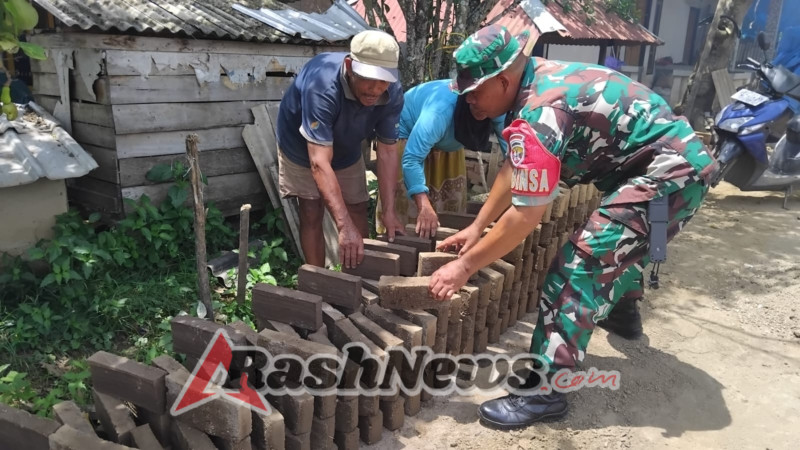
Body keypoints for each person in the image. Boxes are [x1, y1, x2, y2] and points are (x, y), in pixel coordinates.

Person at [428, 25, 718, 428]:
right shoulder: (537, 82)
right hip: (660, 167)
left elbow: (527, 215)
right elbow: (517, 169)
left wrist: (465, 266)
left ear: (503, 80)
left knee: (579, 264)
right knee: (617, 241)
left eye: (474, 90)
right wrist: (478, 225)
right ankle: (622, 312)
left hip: (669, 178)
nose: (469, 99)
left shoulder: (542, 110)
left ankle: (546, 391)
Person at [276, 30, 405, 269]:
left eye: (383, 80)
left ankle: (361, 282)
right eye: (368, 79)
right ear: (349, 65)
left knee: (356, 205)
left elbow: (387, 152)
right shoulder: (322, 86)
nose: (376, 89)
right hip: (304, 148)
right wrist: (342, 226)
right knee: (312, 209)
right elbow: (319, 162)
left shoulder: (393, 92)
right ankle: (318, 282)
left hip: (347, 146)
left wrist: (389, 210)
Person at [375, 79, 508, 238]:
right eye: (478, 110)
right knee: (409, 206)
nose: (484, 114)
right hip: (408, 134)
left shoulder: (494, 108)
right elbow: (411, 159)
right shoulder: (439, 112)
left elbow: (511, 153)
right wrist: (423, 205)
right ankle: (401, 241)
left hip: (448, 141)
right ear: (468, 99)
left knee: (450, 202)